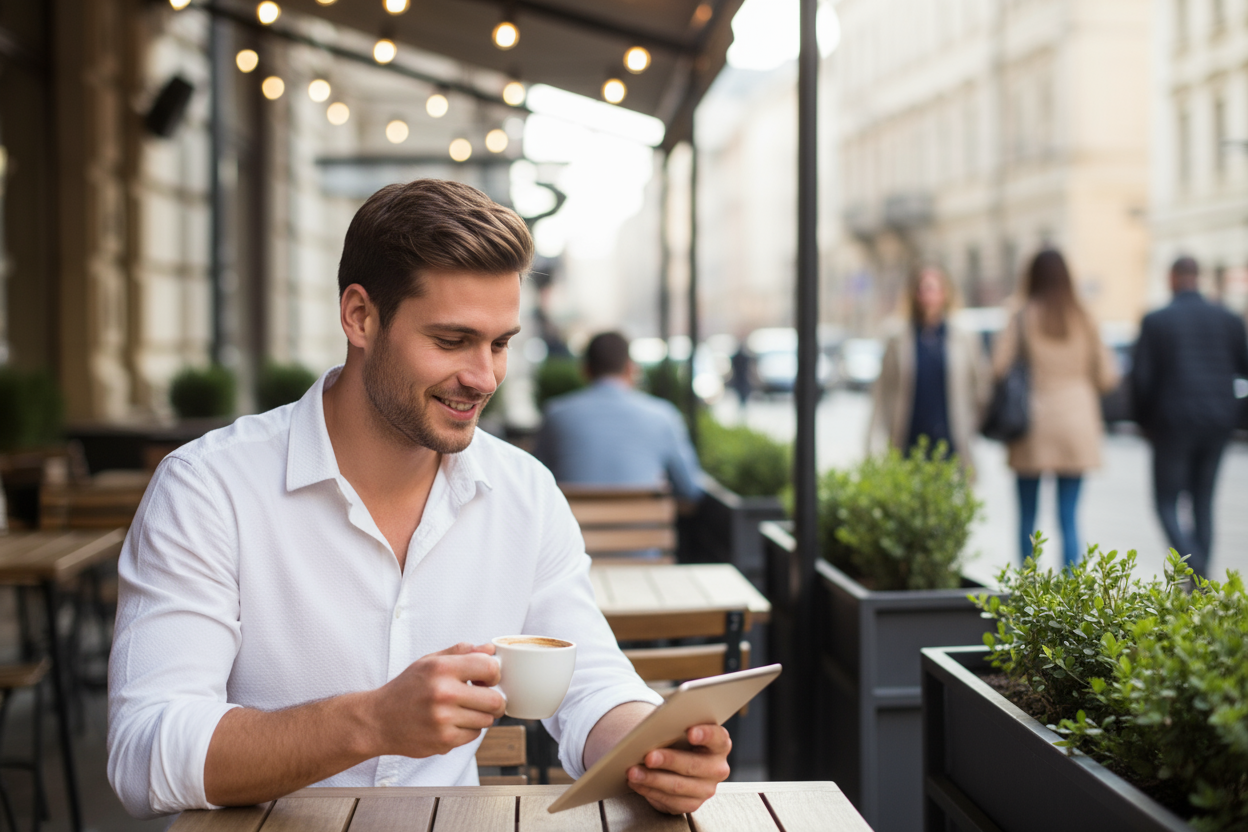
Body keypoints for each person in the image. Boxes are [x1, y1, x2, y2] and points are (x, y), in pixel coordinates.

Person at [107, 180, 730, 818]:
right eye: (452, 341)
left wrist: (655, 749)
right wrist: (371, 721)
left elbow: (591, 683)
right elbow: (143, 752)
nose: (483, 377)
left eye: (500, 343)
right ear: (360, 317)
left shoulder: (523, 492)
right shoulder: (209, 487)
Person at [991, 249, 1119, 567]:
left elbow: (998, 367)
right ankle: (1069, 598)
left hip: (1032, 424)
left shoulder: (1020, 314)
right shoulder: (1084, 316)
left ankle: (1028, 590)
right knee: (1069, 517)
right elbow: (1108, 376)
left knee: (1027, 517)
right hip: (1076, 424)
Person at [1131, 255, 1248, 578]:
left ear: (1172, 278)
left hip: (1172, 424)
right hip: (1218, 422)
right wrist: (1235, 413)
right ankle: (1200, 581)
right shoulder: (1228, 319)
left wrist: (1144, 422)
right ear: (1200, 277)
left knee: (1166, 502)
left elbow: (1141, 379)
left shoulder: (1157, 320)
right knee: (1203, 502)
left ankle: (1194, 571)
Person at [533, 332, 704, 502]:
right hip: (645, 528)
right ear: (631, 368)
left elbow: (535, 481)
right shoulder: (663, 415)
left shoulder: (555, 414)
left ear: (585, 370)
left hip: (575, 527)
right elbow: (689, 488)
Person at [869, 265, 990, 471]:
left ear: (945, 292)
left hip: (951, 440)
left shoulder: (964, 336)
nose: (927, 294)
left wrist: (971, 424)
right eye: (922, 288)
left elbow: (980, 386)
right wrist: (875, 438)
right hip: (908, 438)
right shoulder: (896, 336)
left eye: (933, 288)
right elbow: (882, 392)